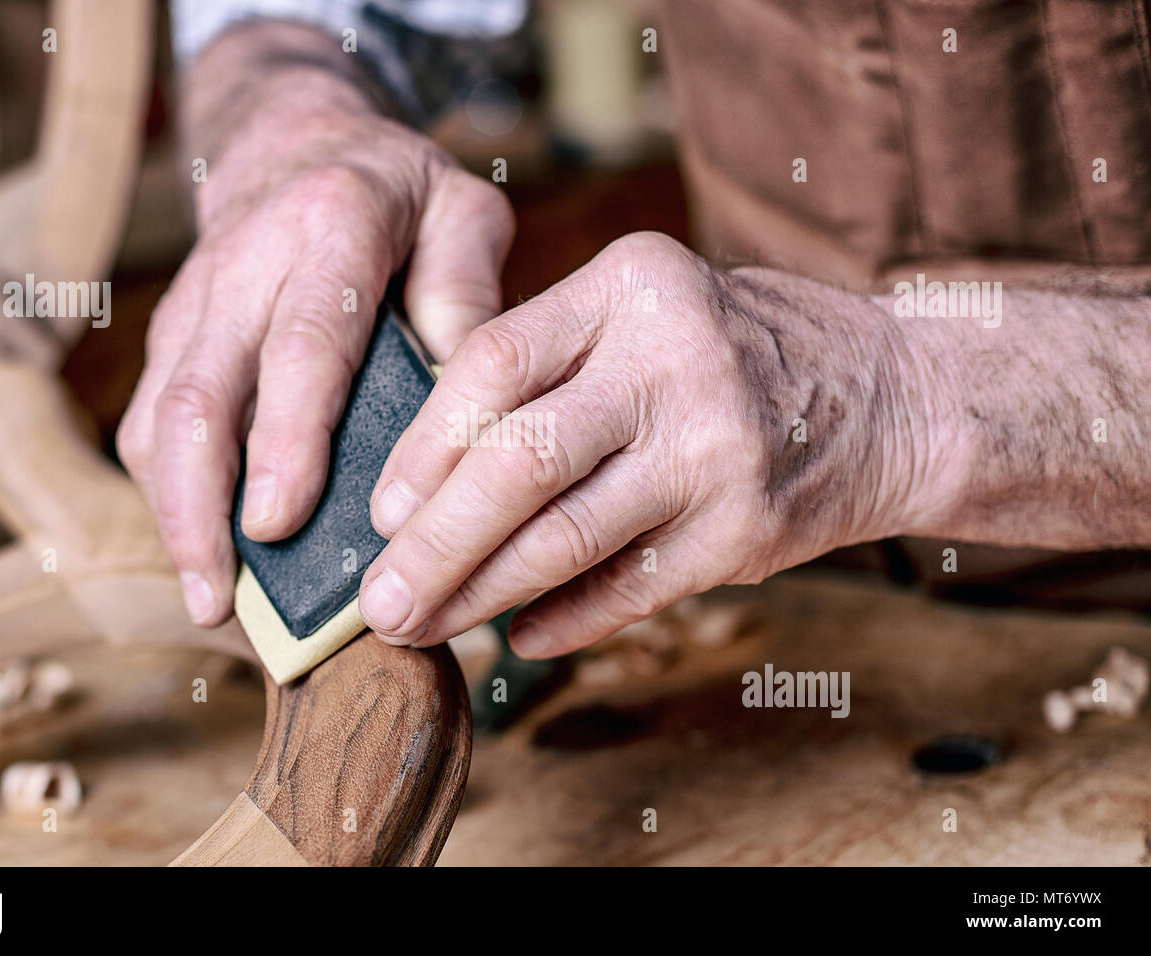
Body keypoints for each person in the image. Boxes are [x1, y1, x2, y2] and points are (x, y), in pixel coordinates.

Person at [118, 1, 1151, 662]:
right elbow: (304, 16)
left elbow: (883, 399)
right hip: (801, 616)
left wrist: (906, 400)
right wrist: (290, 125)